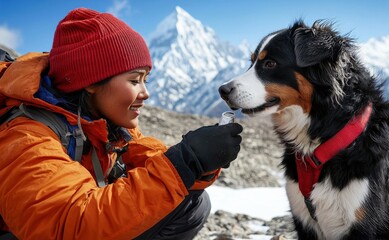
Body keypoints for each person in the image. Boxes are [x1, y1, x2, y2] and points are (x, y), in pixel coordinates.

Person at [0, 7, 243, 240]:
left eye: (146, 79)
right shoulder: (28, 138)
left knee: (190, 202)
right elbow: (66, 225)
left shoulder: (107, 123)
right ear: (92, 82)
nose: (145, 92)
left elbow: (151, 161)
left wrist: (197, 162)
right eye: (135, 80)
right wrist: (185, 162)